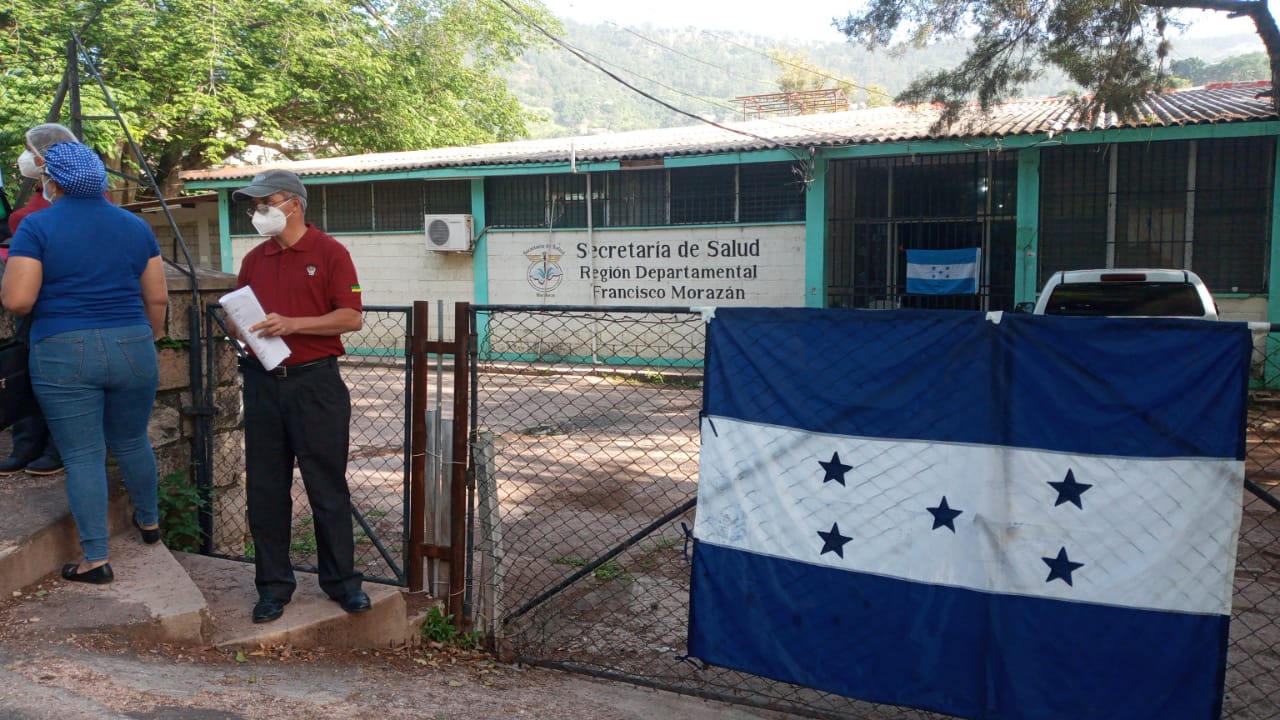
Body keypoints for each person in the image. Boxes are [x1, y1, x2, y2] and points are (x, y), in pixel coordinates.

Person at [1, 141, 169, 584]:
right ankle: (149, 525)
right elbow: (157, 295)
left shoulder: (37, 226)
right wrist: (146, 336)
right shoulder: (134, 226)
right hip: (132, 343)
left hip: (63, 347)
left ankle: (96, 558)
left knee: (82, 456)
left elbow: (18, 300)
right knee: (133, 440)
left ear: (51, 180)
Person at [230, 169, 370, 623]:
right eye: (254, 205)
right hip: (264, 382)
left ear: (293, 203)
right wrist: (241, 325)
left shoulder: (330, 252)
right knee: (266, 489)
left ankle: (342, 584)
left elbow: (350, 318)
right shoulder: (255, 259)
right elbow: (239, 308)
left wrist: (293, 324)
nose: (258, 213)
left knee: (326, 487)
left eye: (265, 203)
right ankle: (272, 587)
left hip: (315, 384)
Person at [0, 124, 74, 477]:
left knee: (59, 381)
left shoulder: (80, 193)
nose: (26, 158)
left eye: (32, 151)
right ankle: (26, 444)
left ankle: (55, 448)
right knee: (24, 374)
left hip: (61, 305)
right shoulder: (37, 198)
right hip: (31, 300)